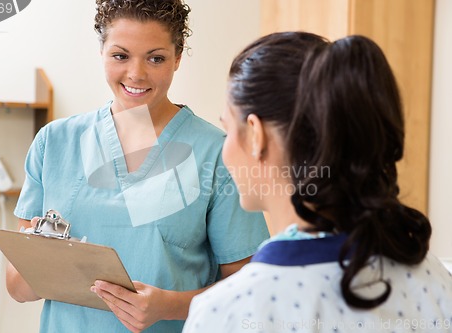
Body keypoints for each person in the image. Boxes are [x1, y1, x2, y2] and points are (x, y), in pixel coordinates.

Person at [5, 0, 269, 332]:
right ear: (101, 50)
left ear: (177, 57)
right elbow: (16, 287)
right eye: (120, 56)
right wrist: (47, 262)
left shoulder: (217, 153)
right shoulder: (54, 142)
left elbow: (252, 289)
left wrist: (169, 307)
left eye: (155, 58)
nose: (136, 74)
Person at [182, 33, 452, 332]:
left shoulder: (229, 312)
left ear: (256, 135)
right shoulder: (433, 279)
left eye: (227, 128)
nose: (225, 148)